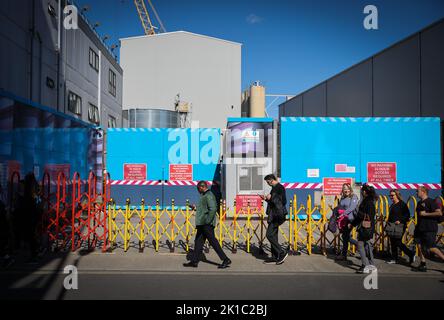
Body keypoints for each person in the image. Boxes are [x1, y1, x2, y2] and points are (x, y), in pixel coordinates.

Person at [183, 181, 231, 269]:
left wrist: (208, 221)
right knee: (198, 242)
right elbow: (204, 208)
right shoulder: (205, 195)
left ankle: (225, 259)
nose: (198, 191)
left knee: (213, 241)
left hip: (206, 223)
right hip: (202, 223)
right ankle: (194, 261)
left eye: (198, 189)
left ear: (202, 187)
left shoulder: (209, 195)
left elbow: (213, 209)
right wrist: (195, 207)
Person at [412, 186, 444, 272]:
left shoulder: (431, 201)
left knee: (431, 247)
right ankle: (423, 264)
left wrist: (426, 214)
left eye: (417, 191)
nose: (416, 192)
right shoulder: (419, 203)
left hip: (429, 228)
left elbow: (439, 213)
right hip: (420, 228)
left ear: (423, 192)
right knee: (419, 245)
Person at [260, 174, 289, 265]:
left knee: (269, 235)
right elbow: (275, 201)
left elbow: (282, 201)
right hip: (275, 214)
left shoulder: (279, 187)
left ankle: (281, 252)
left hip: (277, 215)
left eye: (268, 182)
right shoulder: (275, 187)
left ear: (271, 180)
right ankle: (275, 256)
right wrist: (266, 199)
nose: (267, 184)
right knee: (274, 235)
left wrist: (271, 197)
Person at [349, 184, 377, 274]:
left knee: (361, 245)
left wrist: (354, 221)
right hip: (368, 227)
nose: (361, 193)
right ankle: (371, 265)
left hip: (365, 227)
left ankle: (365, 265)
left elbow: (365, 216)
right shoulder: (369, 201)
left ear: (364, 192)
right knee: (366, 245)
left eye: (362, 191)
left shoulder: (367, 202)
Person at [385, 189, 415, 265]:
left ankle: (411, 254)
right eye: (390, 195)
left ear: (397, 195)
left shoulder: (402, 204)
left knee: (398, 242)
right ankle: (394, 258)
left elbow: (407, 215)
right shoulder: (392, 205)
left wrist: (400, 220)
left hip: (400, 226)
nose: (391, 197)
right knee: (392, 242)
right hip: (392, 226)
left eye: (392, 195)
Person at [334, 183, 359, 261]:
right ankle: (358, 246)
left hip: (350, 220)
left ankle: (358, 246)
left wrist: (343, 214)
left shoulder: (353, 197)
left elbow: (352, 207)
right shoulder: (342, 198)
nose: (346, 190)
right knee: (345, 237)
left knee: (345, 236)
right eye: (344, 189)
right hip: (343, 220)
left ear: (350, 189)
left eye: (347, 188)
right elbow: (340, 207)